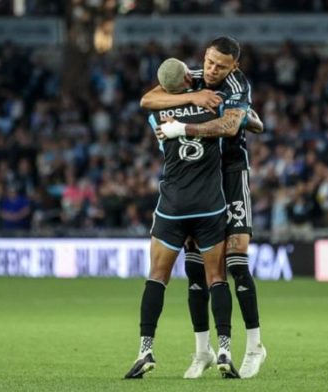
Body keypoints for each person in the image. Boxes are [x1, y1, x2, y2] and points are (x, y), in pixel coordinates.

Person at [143, 36, 267, 379]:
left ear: (234, 67)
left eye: (220, 66)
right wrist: (194, 96)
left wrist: (184, 126)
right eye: (209, 62)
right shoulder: (191, 77)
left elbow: (229, 127)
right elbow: (148, 99)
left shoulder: (238, 84)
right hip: (199, 180)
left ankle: (255, 346)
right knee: (196, 267)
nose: (212, 70)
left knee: (237, 259)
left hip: (230, 172)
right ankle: (203, 352)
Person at [124, 58, 241, 379]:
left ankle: (145, 349)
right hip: (209, 206)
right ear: (189, 76)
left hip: (172, 206)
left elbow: (150, 98)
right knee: (217, 278)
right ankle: (226, 351)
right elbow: (233, 123)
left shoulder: (158, 113)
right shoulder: (213, 104)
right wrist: (196, 95)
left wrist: (182, 94)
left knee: (156, 278)